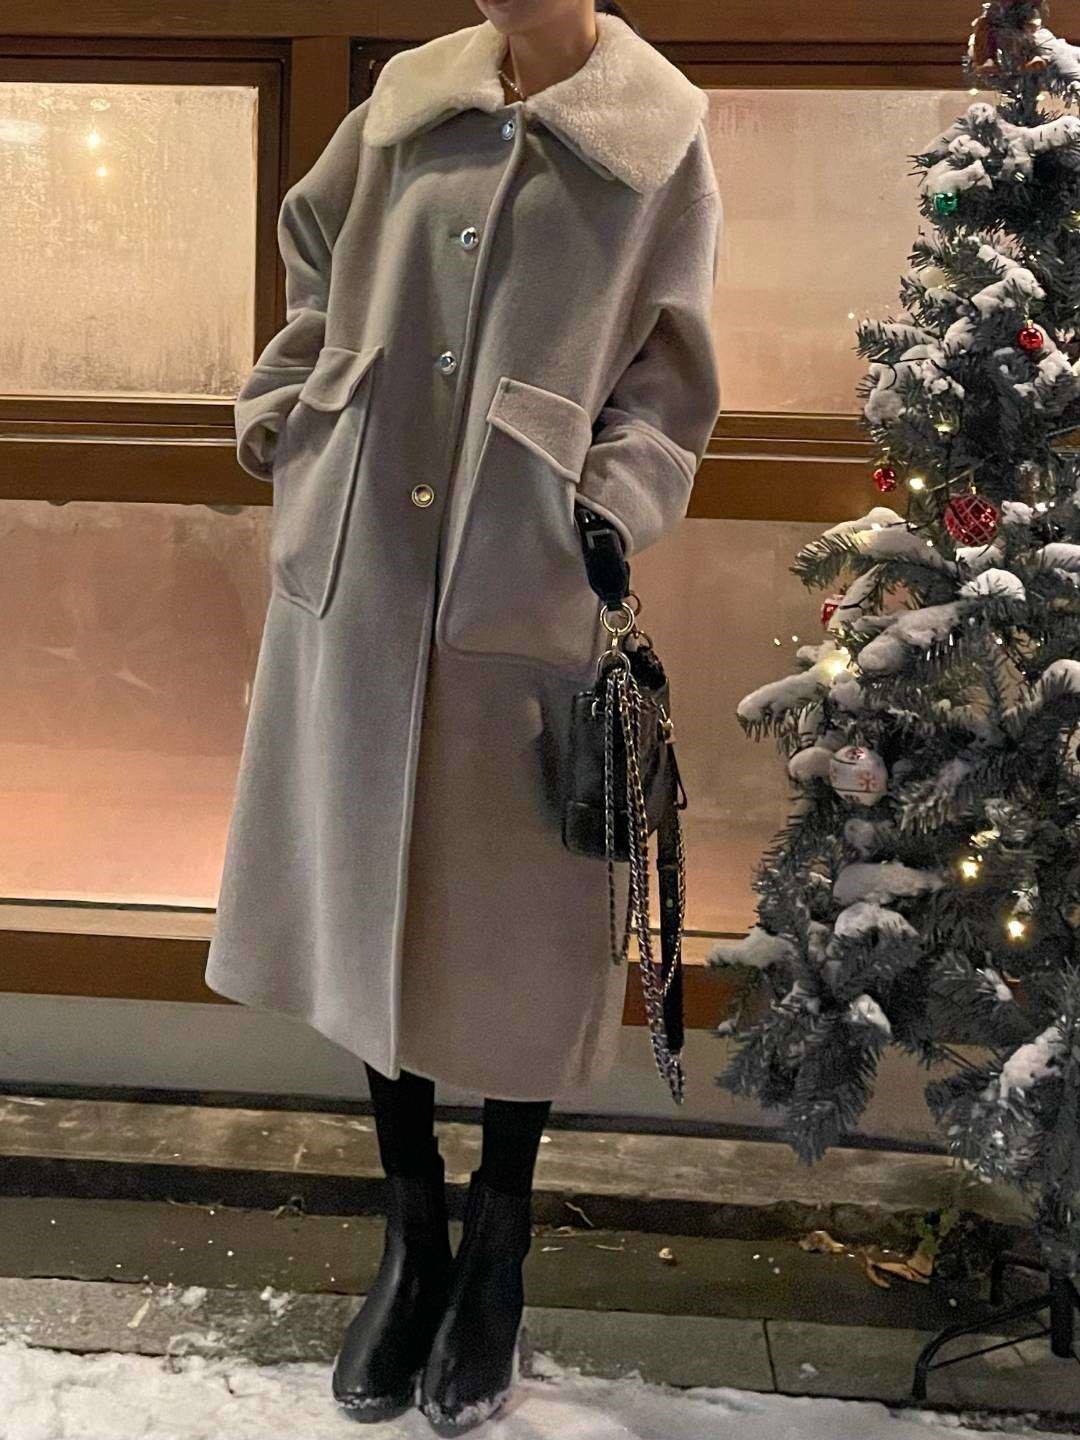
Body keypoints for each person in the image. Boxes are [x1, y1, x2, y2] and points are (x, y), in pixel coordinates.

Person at [203, 0, 722, 1430]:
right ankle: (412, 1234)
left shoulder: (657, 139)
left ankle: (500, 1242)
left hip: (526, 576)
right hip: (363, 558)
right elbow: (316, 253)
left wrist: (604, 505)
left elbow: (671, 377)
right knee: (371, 887)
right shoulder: (406, 105)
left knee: (514, 925)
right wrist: (296, 404)